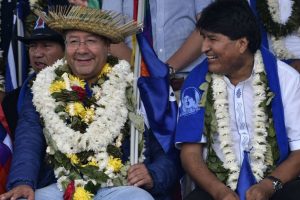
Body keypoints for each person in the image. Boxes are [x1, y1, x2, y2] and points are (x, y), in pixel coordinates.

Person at [0, 5, 180, 200]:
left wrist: (153, 174)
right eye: (74, 41)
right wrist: (22, 182)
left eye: (91, 41)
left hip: (119, 186)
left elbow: (166, 147)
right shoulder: (41, 86)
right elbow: (29, 138)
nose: (82, 50)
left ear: (107, 46)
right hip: (60, 185)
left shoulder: (134, 86)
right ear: (66, 46)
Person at [175, 1, 300, 200]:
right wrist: (220, 192)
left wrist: (268, 186)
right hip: (218, 187)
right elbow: (190, 155)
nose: (204, 48)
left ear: (242, 44)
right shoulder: (195, 83)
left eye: (212, 39)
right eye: (204, 38)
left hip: (278, 183)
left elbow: (299, 150)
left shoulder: (286, 79)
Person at [1, 17, 65, 137]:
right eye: (33, 46)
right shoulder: (11, 102)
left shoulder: (82, 93)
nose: (37, 53)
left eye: (46, 46)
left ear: (65, 51)